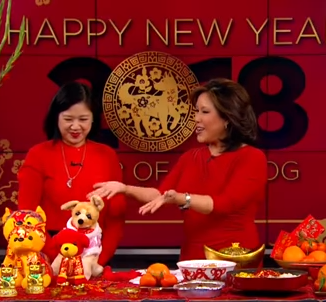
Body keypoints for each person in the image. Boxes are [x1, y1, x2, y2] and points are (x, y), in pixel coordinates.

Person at [89, 78, 268, 261]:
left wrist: (183, 198)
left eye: (204, 112)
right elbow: (161, 194)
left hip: (235, 256)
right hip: (193, 258)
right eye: (196, 111)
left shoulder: (252, 157)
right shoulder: (191, 157)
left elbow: (224, 204)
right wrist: (124, 188)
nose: (196, 118)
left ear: (228, 119)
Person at [17, 82, 126, 266]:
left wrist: (99, 259)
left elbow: (117, 214)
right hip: (48, 253)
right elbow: (27, 214)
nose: (76, 127)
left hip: (95, 252)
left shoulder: (107, 155)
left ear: (93, 119)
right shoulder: (38, 154)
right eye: (68, 119)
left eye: (83, 119)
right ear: (56, 118)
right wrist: (58, 257)